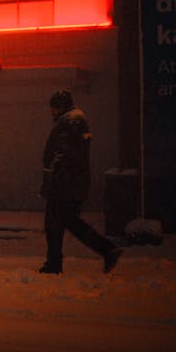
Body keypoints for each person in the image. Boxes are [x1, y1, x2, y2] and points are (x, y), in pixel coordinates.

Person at [39, 89, 122, 275]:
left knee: (59, 223)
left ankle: (106, 250)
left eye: (53, 108)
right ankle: (55, 263)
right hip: (70, 184)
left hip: (64, 185)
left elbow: (62, 155)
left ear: (59, 107)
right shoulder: (74, 121)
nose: (51, 112)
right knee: (62, 223)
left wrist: (53, 179)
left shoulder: (70, 122)